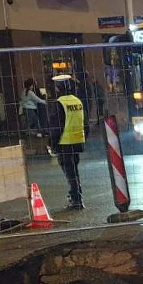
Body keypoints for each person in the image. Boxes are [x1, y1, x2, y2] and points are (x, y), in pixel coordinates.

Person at [48, 75, 87, 209]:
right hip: (77, 141)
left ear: (57, 88)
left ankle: (76, 198)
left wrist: (52, 144)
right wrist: (83, 138)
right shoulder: (77, 101)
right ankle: (77, 194)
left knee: (69, 171)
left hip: (64, 142)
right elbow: (85, 122)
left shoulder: (59, 103)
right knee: (74, 169)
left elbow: (56, 126)